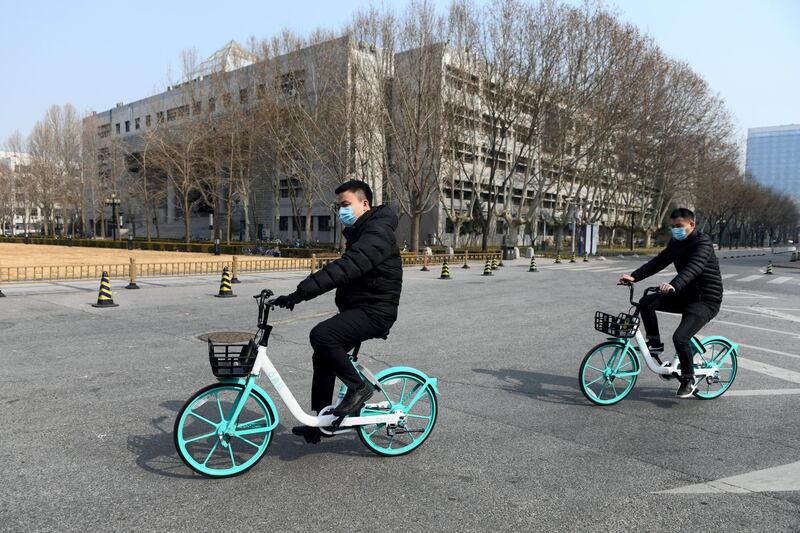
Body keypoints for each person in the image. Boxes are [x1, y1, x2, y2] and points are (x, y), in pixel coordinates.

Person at [273, 179, 402, 443]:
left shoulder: (377, 233)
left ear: (364, 204)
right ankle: (320, 421)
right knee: (322, 356)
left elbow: (346, 267)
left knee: (322, 335)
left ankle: (359, 388)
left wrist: (301, 293)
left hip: (375, 312)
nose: (341, 211)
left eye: (345, 205)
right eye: (338, 206)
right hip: (360, 309)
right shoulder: (362, 232)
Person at [619, 208, 723, 398]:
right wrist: (634, 276)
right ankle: (655, 343)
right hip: (685, 294)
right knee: (646, 302)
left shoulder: (703, 244)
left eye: (679, 226)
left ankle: (688, 379)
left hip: (705, 299)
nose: (676, 230)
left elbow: (694, 268)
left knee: (680, 338)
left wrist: (674, 285)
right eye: (673, 227)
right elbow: (658, 262)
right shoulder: (676, 242)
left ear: (691, 225)